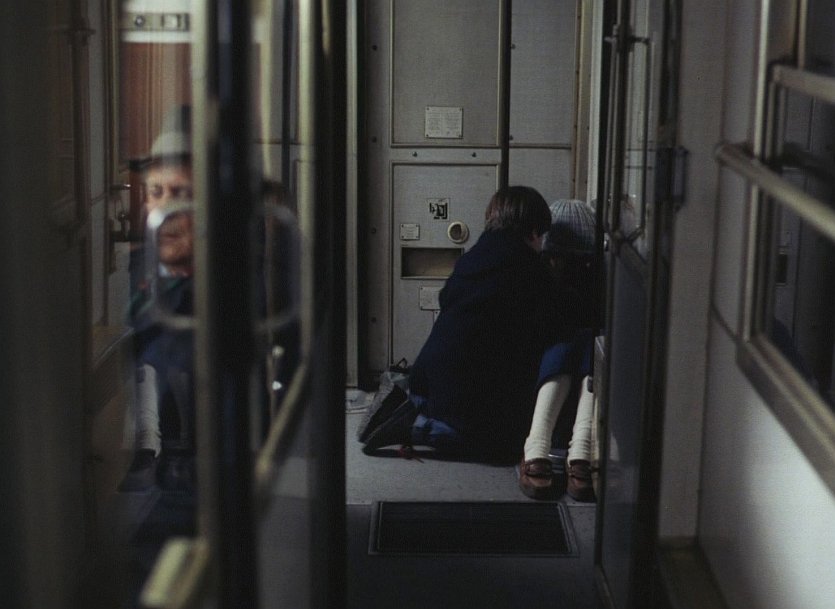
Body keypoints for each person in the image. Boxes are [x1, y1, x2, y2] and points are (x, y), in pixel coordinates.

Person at [359, 186, 577, 463]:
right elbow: (560, 323)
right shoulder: (529, 270)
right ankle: (414, 426)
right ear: (534, 232)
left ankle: (411, 405)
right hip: (461, 407)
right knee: (501, 443)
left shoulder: (472, 258)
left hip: (426, 382)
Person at [118, 105, 196, 492]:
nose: (166, 204)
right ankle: (152, 444)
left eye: (179, 192)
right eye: (156, 192)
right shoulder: (146, 253)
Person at [518, 199, 599, 501]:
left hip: (554, 369)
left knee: (582, 346)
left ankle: (538, 447)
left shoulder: (539, 272)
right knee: (585, 346)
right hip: (560, 364)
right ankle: (581, 452)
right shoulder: (593, 278)